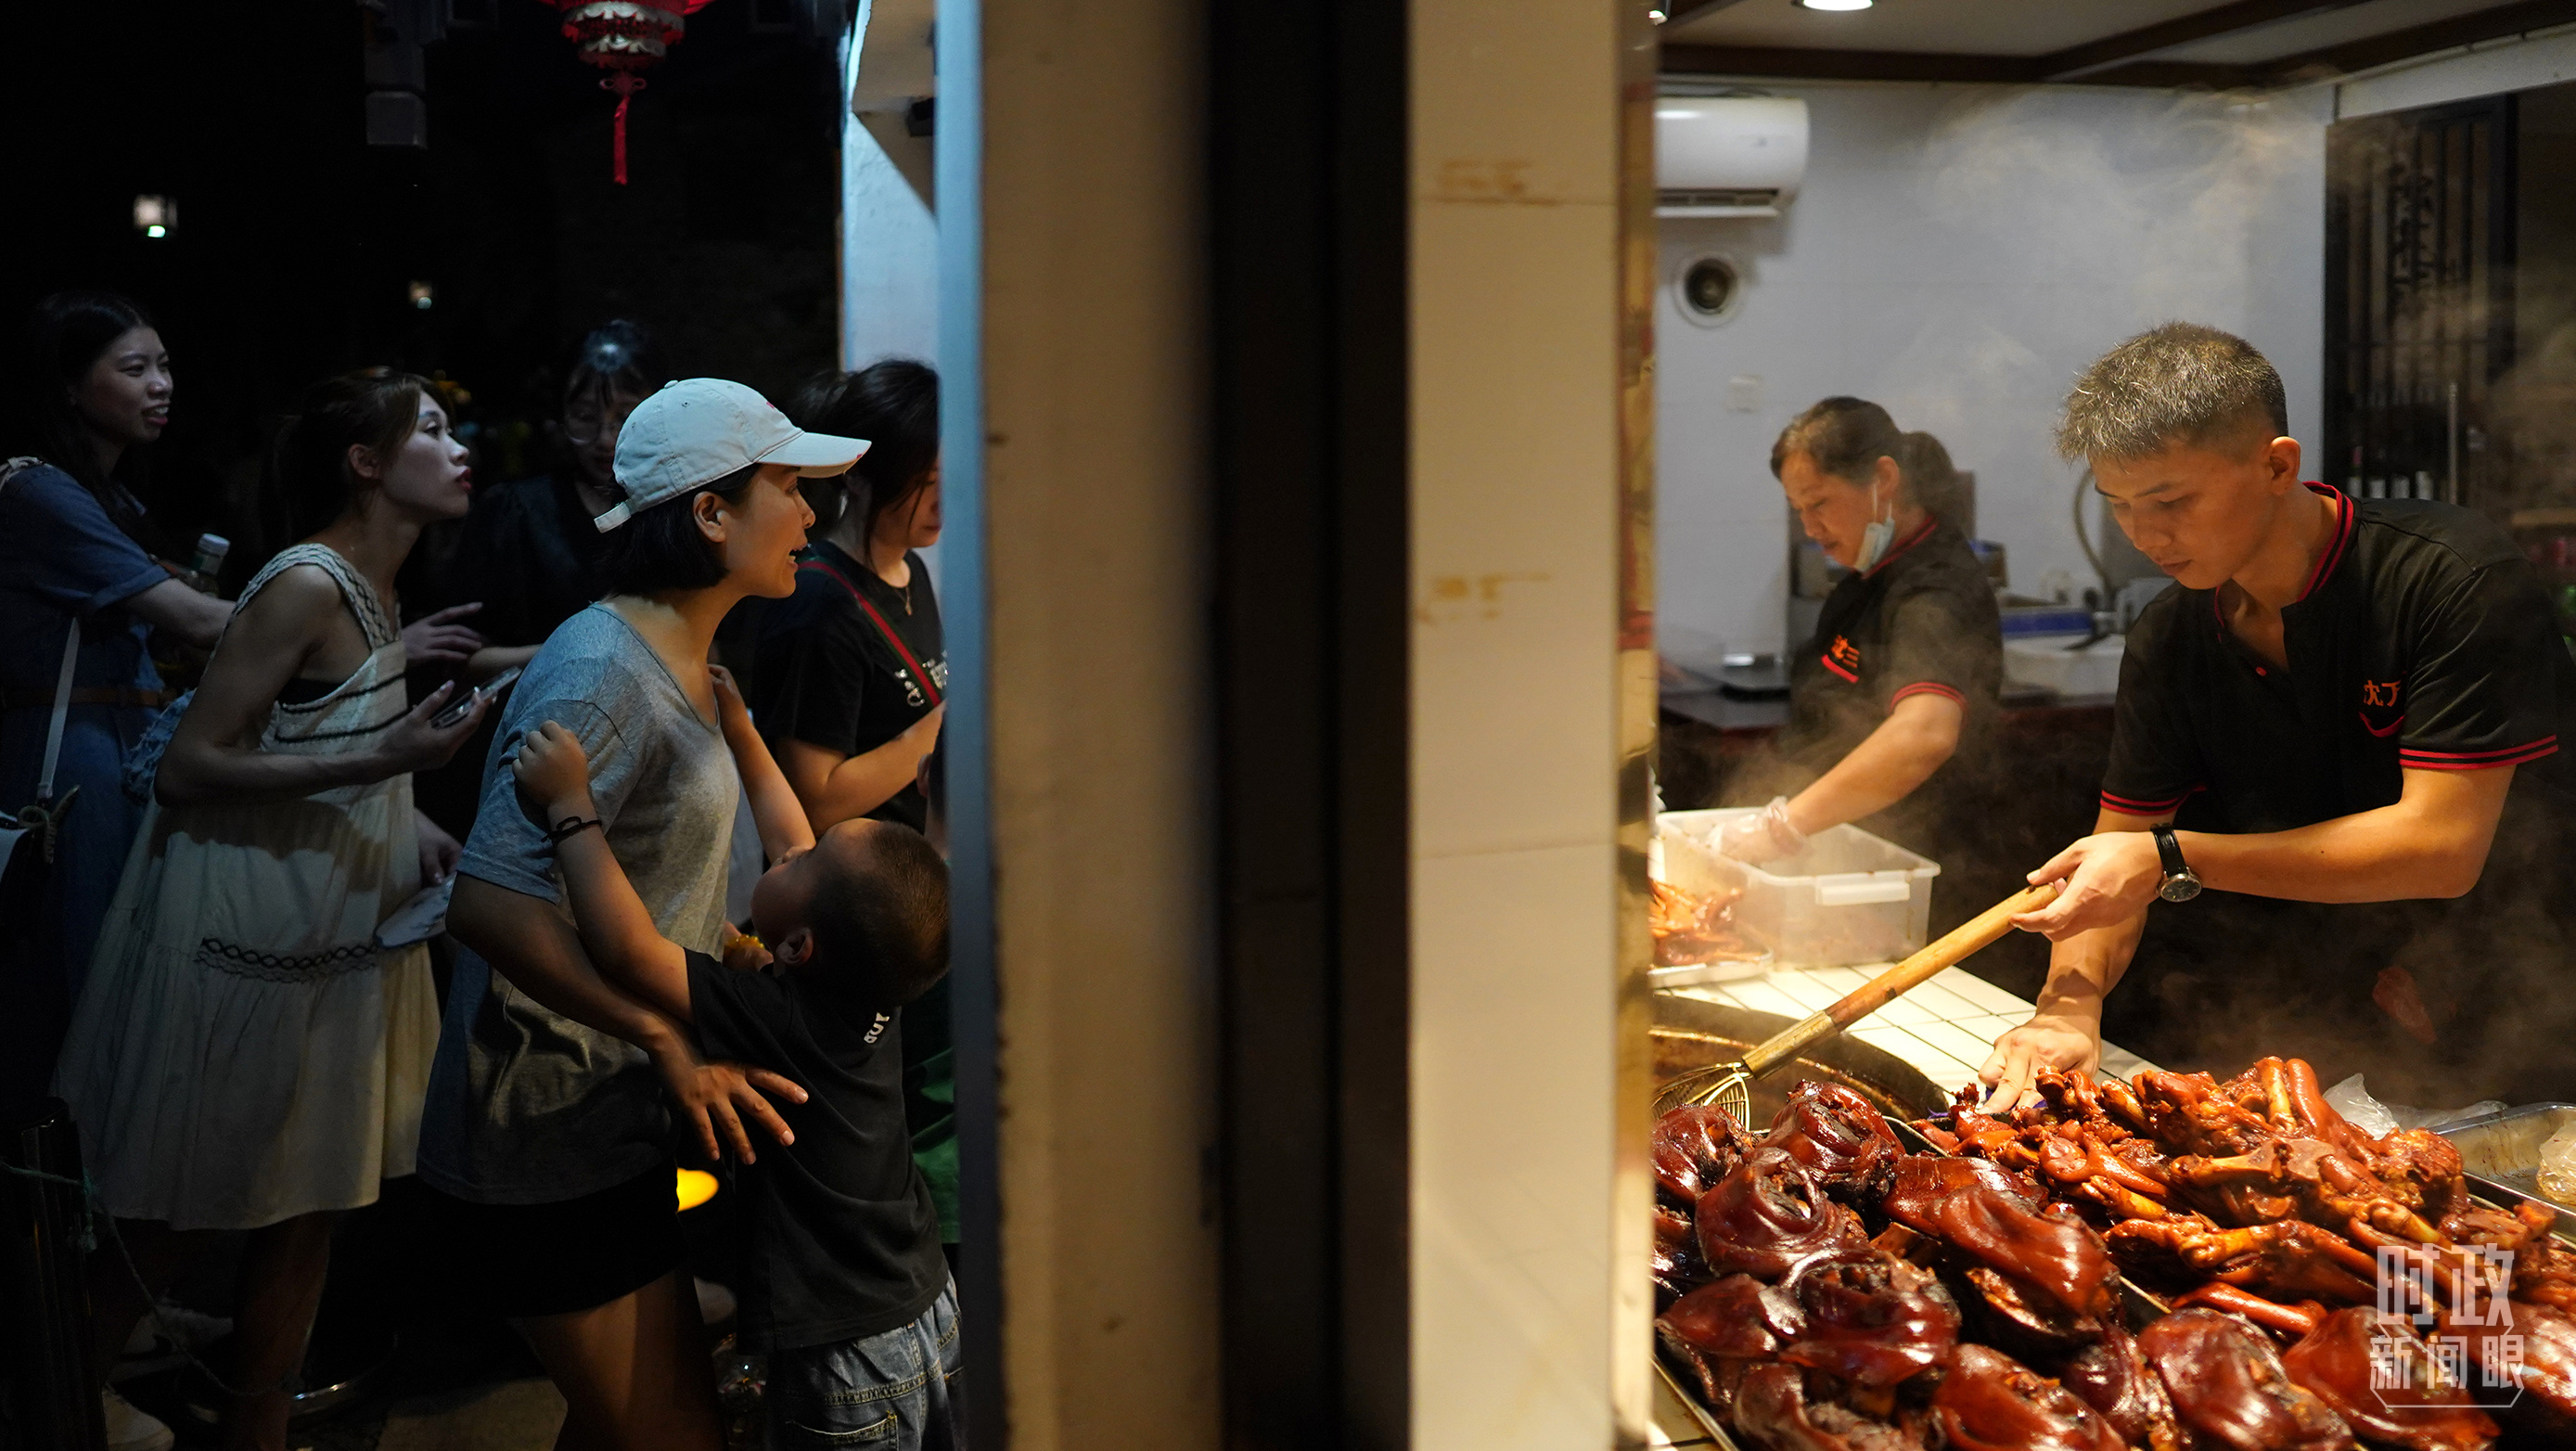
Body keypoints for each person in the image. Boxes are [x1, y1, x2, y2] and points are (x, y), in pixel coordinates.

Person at [53, 367, 493, 1451]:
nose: (460, 449)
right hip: (246, 936)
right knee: (176, 1214)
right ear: (366, 463)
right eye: (433, 430)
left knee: (310, 1208)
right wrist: (386, 763)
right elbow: (191, 766)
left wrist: (404, 818)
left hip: (332, 931)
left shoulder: (380, 585)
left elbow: (326, 738)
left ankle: (258, 1434)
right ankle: (50, 1412)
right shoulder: (304, 582)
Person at [418, 378, 862, 1451]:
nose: (810, 514)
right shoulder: (601, 673)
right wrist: (665, 1036)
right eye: (789, 488)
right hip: (544, 1135)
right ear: (710, 513)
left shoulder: (685, 659)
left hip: (614, 1119)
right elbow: (485, 902)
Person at [1982, 323, 2576, 1111]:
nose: (2144, 535)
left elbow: (2441, 848)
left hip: (2528, 985)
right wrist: (2067, 1007)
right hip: (2341, 998)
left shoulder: (2449, 577)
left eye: (2170, 501)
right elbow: (2111, 858)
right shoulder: (2171, 634)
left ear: (2276, 465)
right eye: (2118, 506)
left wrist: (2169, 857)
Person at [511, 688, 958, 1449]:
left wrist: (570, 806)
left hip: (846, 1347)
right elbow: (791, 834)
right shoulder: (869, 988)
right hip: (925, 1307)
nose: (792, 847)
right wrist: (744, 731)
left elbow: (627, 950)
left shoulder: (777, 1013)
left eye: (804, 861)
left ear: (798, 948)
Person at [0, 293, 232, 1115]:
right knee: (88, 973)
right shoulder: (37, 490)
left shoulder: (105, 497)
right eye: (134, 369)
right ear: (69, 386)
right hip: (76, 751)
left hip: (119, 734)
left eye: (163, 365)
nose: (160, 385)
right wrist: (343, 610)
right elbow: (197, 620)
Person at [412, 319, 674, 838]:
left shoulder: (670, 513)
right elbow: (461, 662)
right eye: (585, 418)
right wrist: (595, 649)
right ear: (559, 416)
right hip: (530, 761)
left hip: (649, 763)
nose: (605, 439)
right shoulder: (515, 511)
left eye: (626, 417)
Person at [1716, 398, 2001, 867]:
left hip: (1912, 861)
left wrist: (1782, 828)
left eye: (1819, 503)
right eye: (1799, 510)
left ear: (1883, 479)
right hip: (1839, 848)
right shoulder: (1868, 576)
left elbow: (1925, 732)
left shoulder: (1937, 589)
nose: (1811, 528)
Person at [737, 360, 945, 835]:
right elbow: (815, 804)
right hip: (850, 877)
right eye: (924, 482)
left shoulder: (909, 568)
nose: (944, 500)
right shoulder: (817, 603)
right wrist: (945, 723)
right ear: (856, 474)